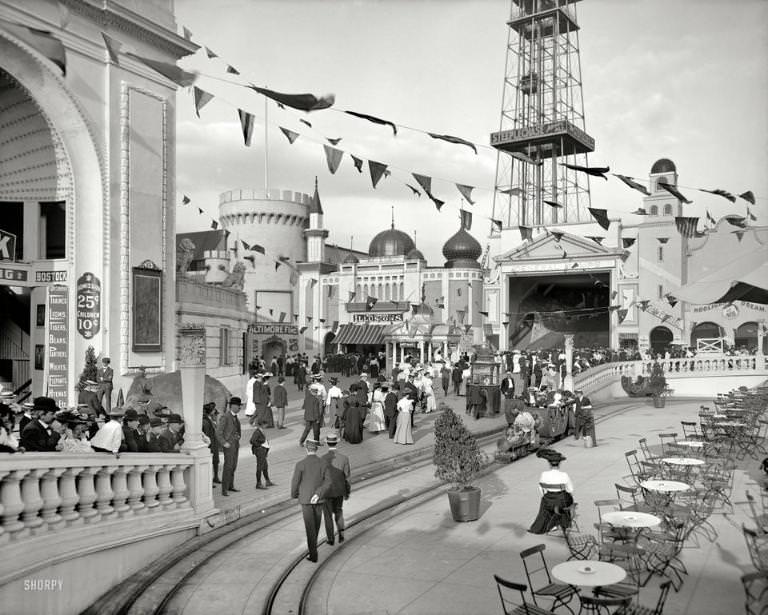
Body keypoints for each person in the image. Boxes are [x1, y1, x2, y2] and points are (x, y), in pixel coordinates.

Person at [290, 438, 332, 563]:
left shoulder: (300, 464)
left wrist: (294, 494)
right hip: (319, 499)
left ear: (306, 449)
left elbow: (295, 482)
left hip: (306, 500)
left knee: (310, 527)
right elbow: (328, 481)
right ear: (316, 449)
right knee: (316, 525)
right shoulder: (323, 463)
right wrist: (319, 494)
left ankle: (313, 554)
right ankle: (313, 549)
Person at [528, 449, 574, 534]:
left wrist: (548, 496)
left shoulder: (544, 474)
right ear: (559, 464)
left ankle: (549, 524)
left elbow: (541, 489)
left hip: (548, 502)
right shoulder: (564, 475)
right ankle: (564, 523)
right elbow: (570, 489)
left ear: (549, 464)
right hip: (561, 502)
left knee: (546, 501)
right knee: (567, 498)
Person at [321, 432, 351, 545]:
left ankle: (330, 538)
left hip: (327, 492)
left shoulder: (322, 459)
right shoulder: (344, 458)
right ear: (336, 443)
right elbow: (347, 476)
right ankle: (341, 534)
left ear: (327, 444)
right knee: (339, 511)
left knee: (328, 515)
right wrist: (347, 491)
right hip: (339, 490)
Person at [217, 396, 242, 496]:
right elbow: (218, 432)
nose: (240, 408)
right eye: (238, 406)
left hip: (235, 444)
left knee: (233, 466)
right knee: (228, 466)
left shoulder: (235, 417)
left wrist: (238, 436)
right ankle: (224, 489)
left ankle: (230, 486)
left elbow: (237, 430)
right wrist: (224, 443)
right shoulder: (225, 417)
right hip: (229, 446)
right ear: (232, 406)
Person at [250, 418, 275, 489]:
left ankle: (267, 481)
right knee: (260, 467)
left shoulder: (261, 431)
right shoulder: (257, 432)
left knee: (265, 466)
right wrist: (260, 445)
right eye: (265, 424)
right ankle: (258, 483)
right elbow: (252, 441)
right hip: (259, 451)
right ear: (262, 425)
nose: (266, 426)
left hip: (263, 451)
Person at [202, 402, 220, 484]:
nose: (215, 412)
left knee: (215, 461)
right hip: (210, 444)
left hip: (214, 443)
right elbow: (207, 434)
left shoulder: (210, 419)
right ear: (211, 411)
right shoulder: (205, 421)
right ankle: (209, 481)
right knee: (210, 462)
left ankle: (215, 477)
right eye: (214, 410)